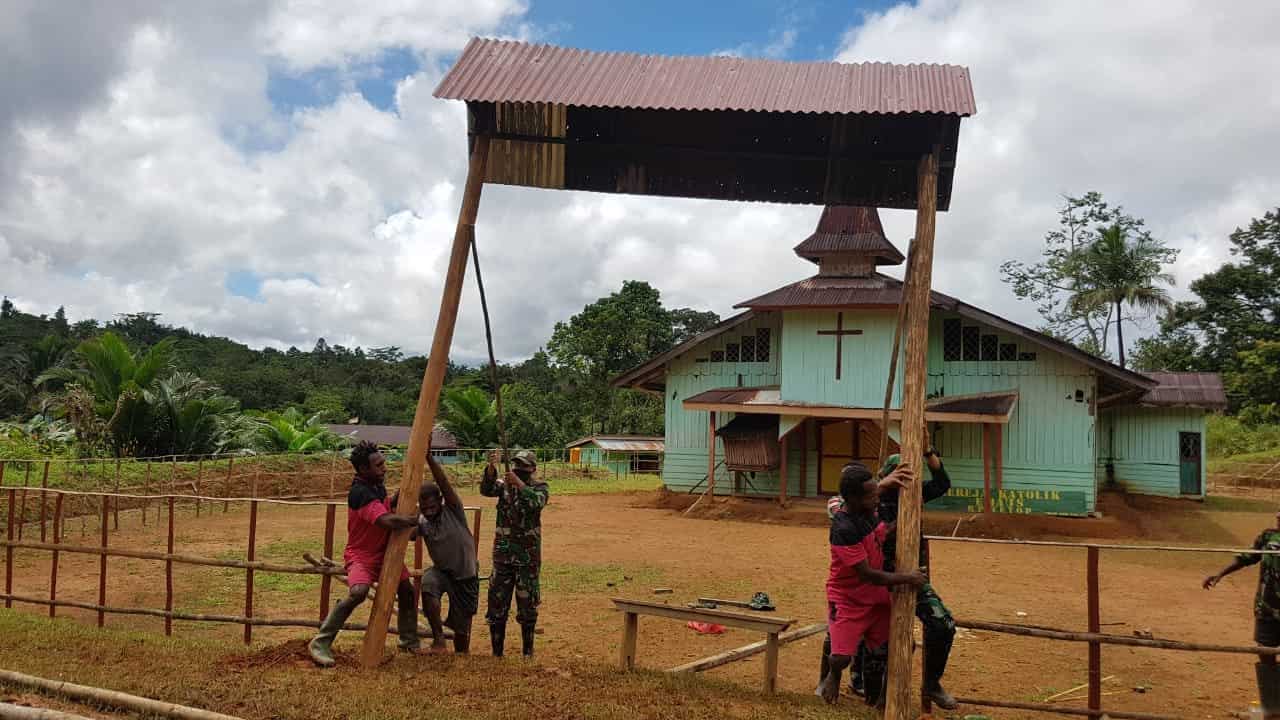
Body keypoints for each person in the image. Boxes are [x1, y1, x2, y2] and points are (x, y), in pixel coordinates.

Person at [849, 448, 959, 709]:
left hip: (912, 578)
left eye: (911, 479)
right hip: (879, 577)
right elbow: (851, 518)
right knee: (880, 640)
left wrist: (929, 453)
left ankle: (931, 684)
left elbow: (943, 483)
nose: (906, 485)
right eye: (900, 478)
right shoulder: (871, 502)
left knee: (942, 624)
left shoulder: (915, 494)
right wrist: (899, 515)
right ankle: (870, 691)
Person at [818, 461, 926, 705]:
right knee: (841, 656)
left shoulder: (867, 513)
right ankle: (833, 676)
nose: (876, 499)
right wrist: (909, 578)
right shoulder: (843, 527)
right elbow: (867, 574)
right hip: (848, 597)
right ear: (854, 498)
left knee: (901, 643)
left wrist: (907, 520)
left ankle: (880, 699)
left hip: (875, 595)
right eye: (871, 495)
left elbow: (882, 533)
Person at [309, 441, 419, 666]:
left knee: (407, 590)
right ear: (363, 469)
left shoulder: (377, 485)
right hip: (361, 555)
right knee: (358, 592)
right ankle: (320, 642)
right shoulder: (359, 492)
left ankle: (409, 641)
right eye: (378, 465)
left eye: (383, 463)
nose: (384, 468)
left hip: (384, 552)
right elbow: (385, 520)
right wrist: (414, 521)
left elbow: (386, 505)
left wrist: (405, 491)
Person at [1203, 509, 1280, 716]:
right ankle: (1272, 707)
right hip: (1266, 609)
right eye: (1279, 513)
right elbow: (1247, 558)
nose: (1279, 516)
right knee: (1265, 655)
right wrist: (1220, 574)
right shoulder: (1268, 537)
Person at [481, 449, 549, 657]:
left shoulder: (539, 487)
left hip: (527, 559)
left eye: (523, 466)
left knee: (527, 607)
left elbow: (536, 503)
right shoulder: (503, 487)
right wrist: (492, 468)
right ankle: (497, 653)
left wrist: (519, 485)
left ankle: (527, 653)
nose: (519, 469)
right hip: (503, 556)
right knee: (497, 605)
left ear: (533, 469)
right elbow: (486, 489)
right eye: (516, 465)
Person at [413, 454, 480, 654]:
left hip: (465, 575)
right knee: (428, 582)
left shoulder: (453, 510)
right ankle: (439, 641)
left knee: (462, 630)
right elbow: (406, 534)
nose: (429, 511)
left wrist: (429, 458)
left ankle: (462, 653)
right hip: (442, 572)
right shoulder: (423, 522)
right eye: (424, 508)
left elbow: (443, 483)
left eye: (432, 506)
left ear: (441, 501)